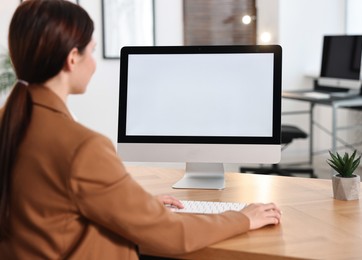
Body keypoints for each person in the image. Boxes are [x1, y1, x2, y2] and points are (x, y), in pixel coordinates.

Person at [0, 1, 282, 259]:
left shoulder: (10, 122)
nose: (94, 63)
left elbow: (52, 209)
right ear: (73, 58)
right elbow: (173, 236)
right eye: (92, 51)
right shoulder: (82, 147)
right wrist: (244, 217)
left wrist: (137, 207)